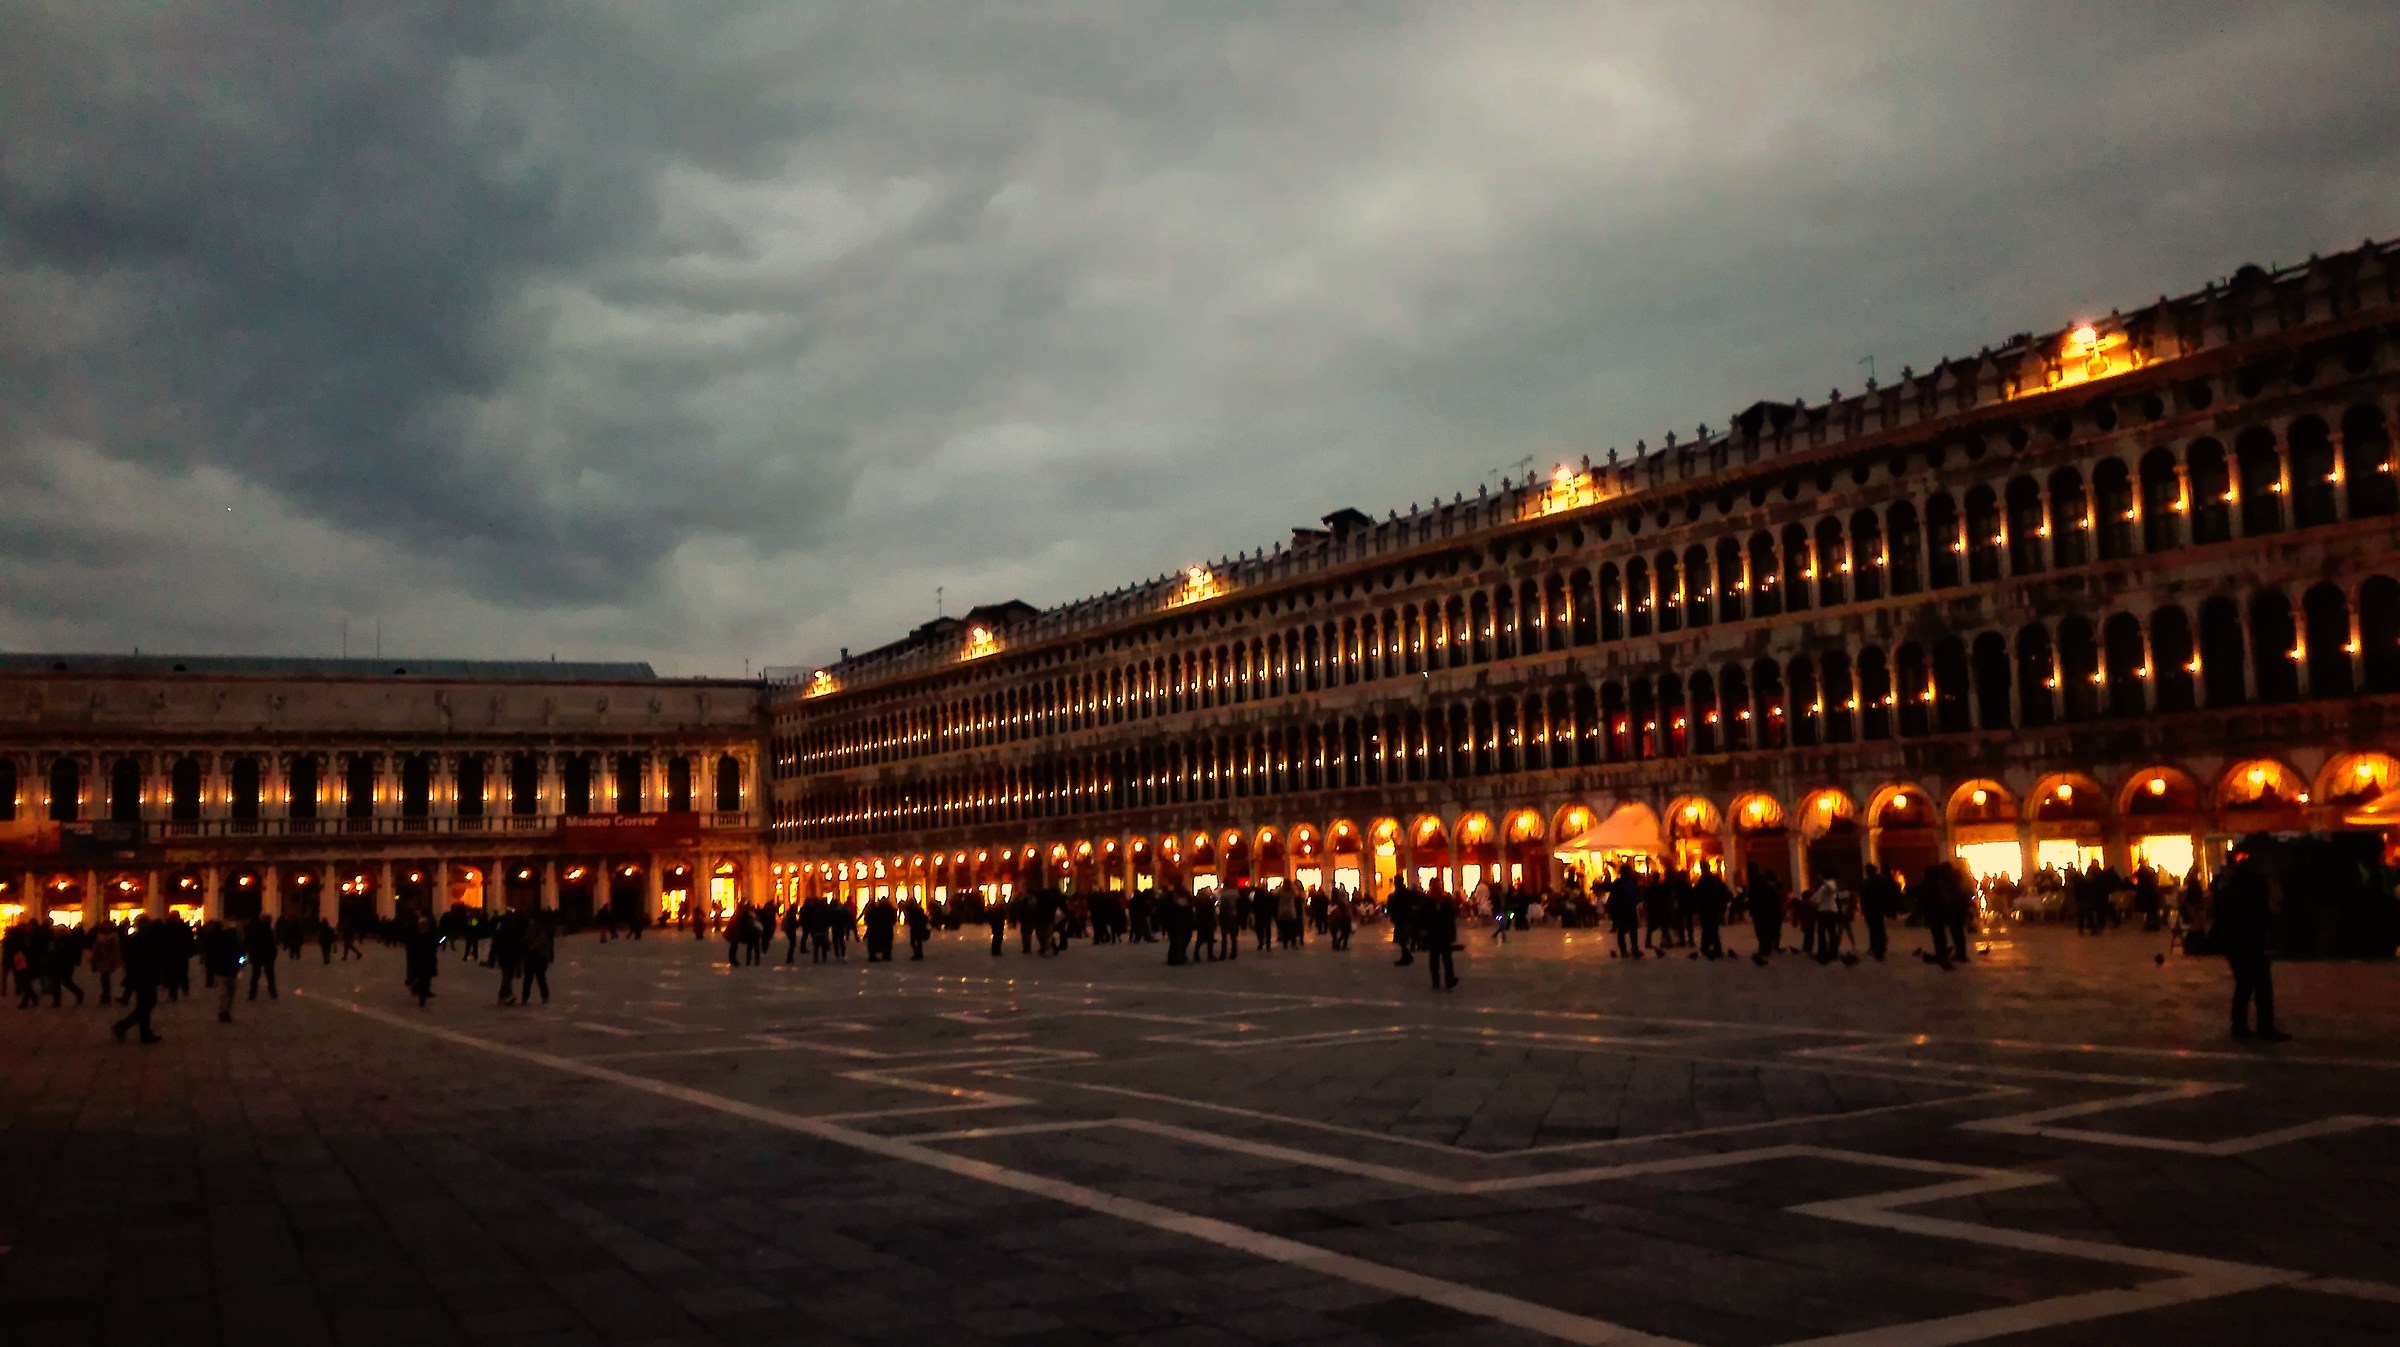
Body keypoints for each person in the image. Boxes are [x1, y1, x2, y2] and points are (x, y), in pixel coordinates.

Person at [2211, 848, 2288, 1041]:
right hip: (2247, 937)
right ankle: (2262, 1026)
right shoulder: (2257, 883)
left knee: (2245, 983)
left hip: (2233, 938)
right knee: (2259, 982)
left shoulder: (2233, 880)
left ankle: (2241, 1026)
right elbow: (2264, 911)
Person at [111, 917, 164, 1044]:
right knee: (147, 1004)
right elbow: (149, 959)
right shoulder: (144, 939)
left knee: (144, 1005)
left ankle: (145, 1033)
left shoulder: (137, 938)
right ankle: (122, 1026)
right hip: (145, 975)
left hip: (140, 976)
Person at [202, 919, 244, 1022]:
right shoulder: (235, 940)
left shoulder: (216, 939)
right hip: (232, 969)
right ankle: (225, 1010)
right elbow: (241, 953)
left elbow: (211, 954)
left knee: (223, 991)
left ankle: (224, 1010)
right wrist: (241, 964)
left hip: (221, 969)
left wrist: (210, 966)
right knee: (230, 991)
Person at [1421, 892, 1459, 991]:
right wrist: (1423, 930)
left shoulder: (1446, 902)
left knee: (1447, 959)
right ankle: (1436, 981)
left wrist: (1452, 933)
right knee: (1435, 959)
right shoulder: (1427, 902)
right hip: (1433, 934)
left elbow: (1451, 918)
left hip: (1444, 933)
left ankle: (1449, 980)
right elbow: (1423, 917)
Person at [404, 914, 440, 1007]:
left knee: (425, 980)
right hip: (423, 962)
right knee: (423, 980)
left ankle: (422, 995)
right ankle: (421, 996)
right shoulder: (420, 937)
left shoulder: (422, 936)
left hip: (425, 962)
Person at [245, 911, 280, 1000]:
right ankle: (273, 993)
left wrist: (250, 954)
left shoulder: (255, 928)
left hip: (257, 955)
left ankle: (252, 994)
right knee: (270, 975)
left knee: (255, 975)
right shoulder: (269, 929)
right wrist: (273, 953)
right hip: (267, 955)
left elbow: (251, 942)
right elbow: (272, 943)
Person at [520, 916, 554, 1005]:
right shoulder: (541, 934)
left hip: (534, 960)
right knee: (538, 979)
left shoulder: (531, 934)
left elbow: (527, 945)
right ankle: (543, 997)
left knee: (531, 979)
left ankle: (526, 997)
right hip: (537, 960)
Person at [89, 922, 124, 1005]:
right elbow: (115, 950)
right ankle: (106, 995)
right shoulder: (113, 937)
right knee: (105, 978)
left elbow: (96, 948)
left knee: (105, 978)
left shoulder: (102, 937)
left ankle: (105, 996)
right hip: (105, 959)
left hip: (104, 959)